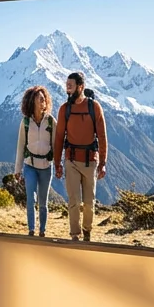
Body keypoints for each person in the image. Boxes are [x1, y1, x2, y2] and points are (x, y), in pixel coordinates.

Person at [52, 72, 107, 242]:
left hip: (91, 161)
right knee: (74, 201)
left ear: (80, 87)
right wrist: (57, 163)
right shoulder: (64, 109)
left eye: (71, 85)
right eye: (66, 85)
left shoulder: (94, 107)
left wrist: (103, 163)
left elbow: (103, 136)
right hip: (71, 160)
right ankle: (75, 235)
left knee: (89, 203)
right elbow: (60, 137)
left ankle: (87, 230)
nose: (67, 88)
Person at [13, 85, 56, 237]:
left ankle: (42, 231)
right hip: (29, 166)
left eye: (44, 99)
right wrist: (17, 170)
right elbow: (20, 146)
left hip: (46, 167)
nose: (43, 101)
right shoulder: (25, 122)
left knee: (43, 202)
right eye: (40, 99)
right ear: (32, 101)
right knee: (30, 199)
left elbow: (57, 145)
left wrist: (58, 165)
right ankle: (31, 230)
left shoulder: (51, 122)